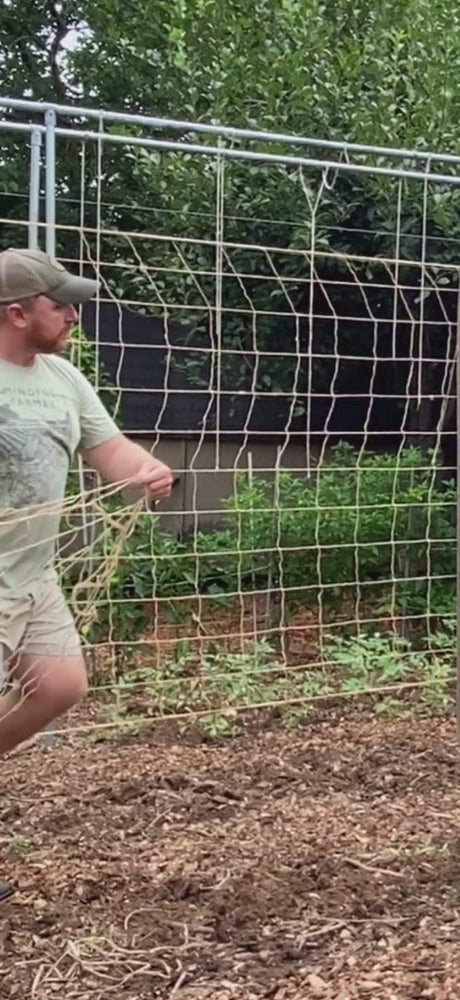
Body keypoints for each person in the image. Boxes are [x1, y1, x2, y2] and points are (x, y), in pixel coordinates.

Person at [0, 248, 174, 903]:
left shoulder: (64, 378)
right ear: (17, 313)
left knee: (61, 683)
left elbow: (109, 451)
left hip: (31, 575)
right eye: (60, 304)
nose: (75, 314)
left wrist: (145, 471)